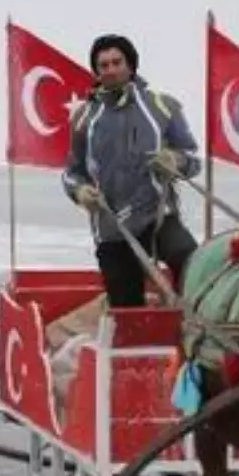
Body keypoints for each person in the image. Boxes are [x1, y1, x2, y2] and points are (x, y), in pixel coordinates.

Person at [61, 33, 202, 308]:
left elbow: (193, 159)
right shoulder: (84, 118)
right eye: (104, 65)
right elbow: (71, 172)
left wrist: (175, 160)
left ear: (131, 65)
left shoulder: (163, 105)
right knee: (126, 309)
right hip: (111, 227)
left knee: (190, 260)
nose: (111, 70)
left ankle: (193, 335)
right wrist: (79, 191)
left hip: (158, 217)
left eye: (117, 62)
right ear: (97, 71)